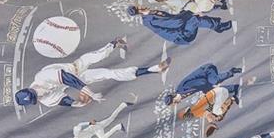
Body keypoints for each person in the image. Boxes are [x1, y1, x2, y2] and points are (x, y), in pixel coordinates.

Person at [17, 38, 168, 109]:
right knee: (109, 73)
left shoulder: (41, 78)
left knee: (97, 56)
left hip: (74, 69)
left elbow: (68, 79)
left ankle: (115, 43)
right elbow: (64, 101)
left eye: (34, 93)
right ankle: (152, 69)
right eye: (35, 98)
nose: (38, 95)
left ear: (30, 89)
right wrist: (79, 103)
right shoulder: (45, 99)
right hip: (81, 79)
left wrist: (89, 92)